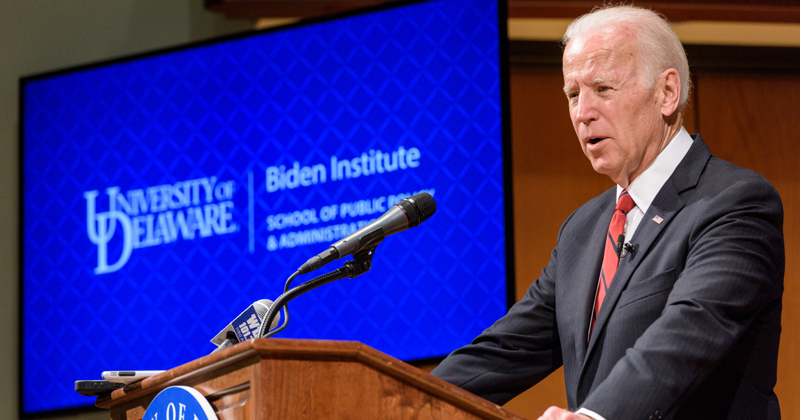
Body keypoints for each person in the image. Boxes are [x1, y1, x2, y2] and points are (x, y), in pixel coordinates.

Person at [430, 5, 784, 420]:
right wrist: (396, 397)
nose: (582, 113)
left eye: (603, 88)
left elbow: (689, 331)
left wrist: (594, 417)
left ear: (667, 93)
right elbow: (508, 349)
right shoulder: (583, 229)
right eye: (573, 94)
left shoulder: (734, 202)